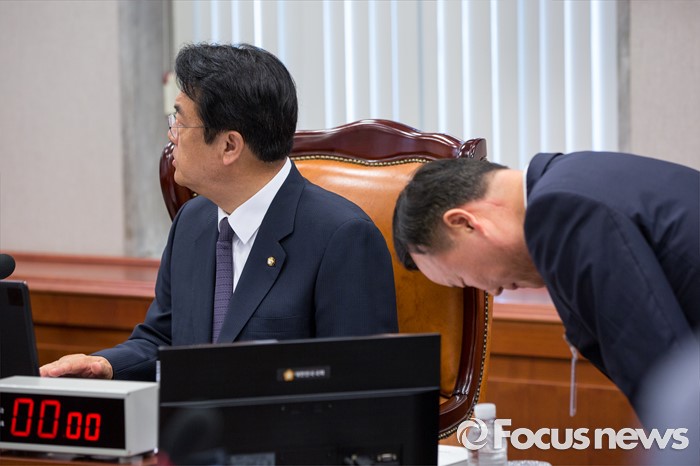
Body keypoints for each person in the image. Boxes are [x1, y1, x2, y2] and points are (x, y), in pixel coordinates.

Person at [41, 43, 398, 381]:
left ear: (229, 146)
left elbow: (360, 384)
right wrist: (105, 365)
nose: (172, 136)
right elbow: (163, 340)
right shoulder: (192, 221)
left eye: (180, 122)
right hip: (191, 425)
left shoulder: (343, 238)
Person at [392, 151, 699, 416]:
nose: (491, 290)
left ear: (464, 223)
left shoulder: (561, 211)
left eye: (462, 279)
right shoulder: (570, 175)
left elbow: (666, 383)